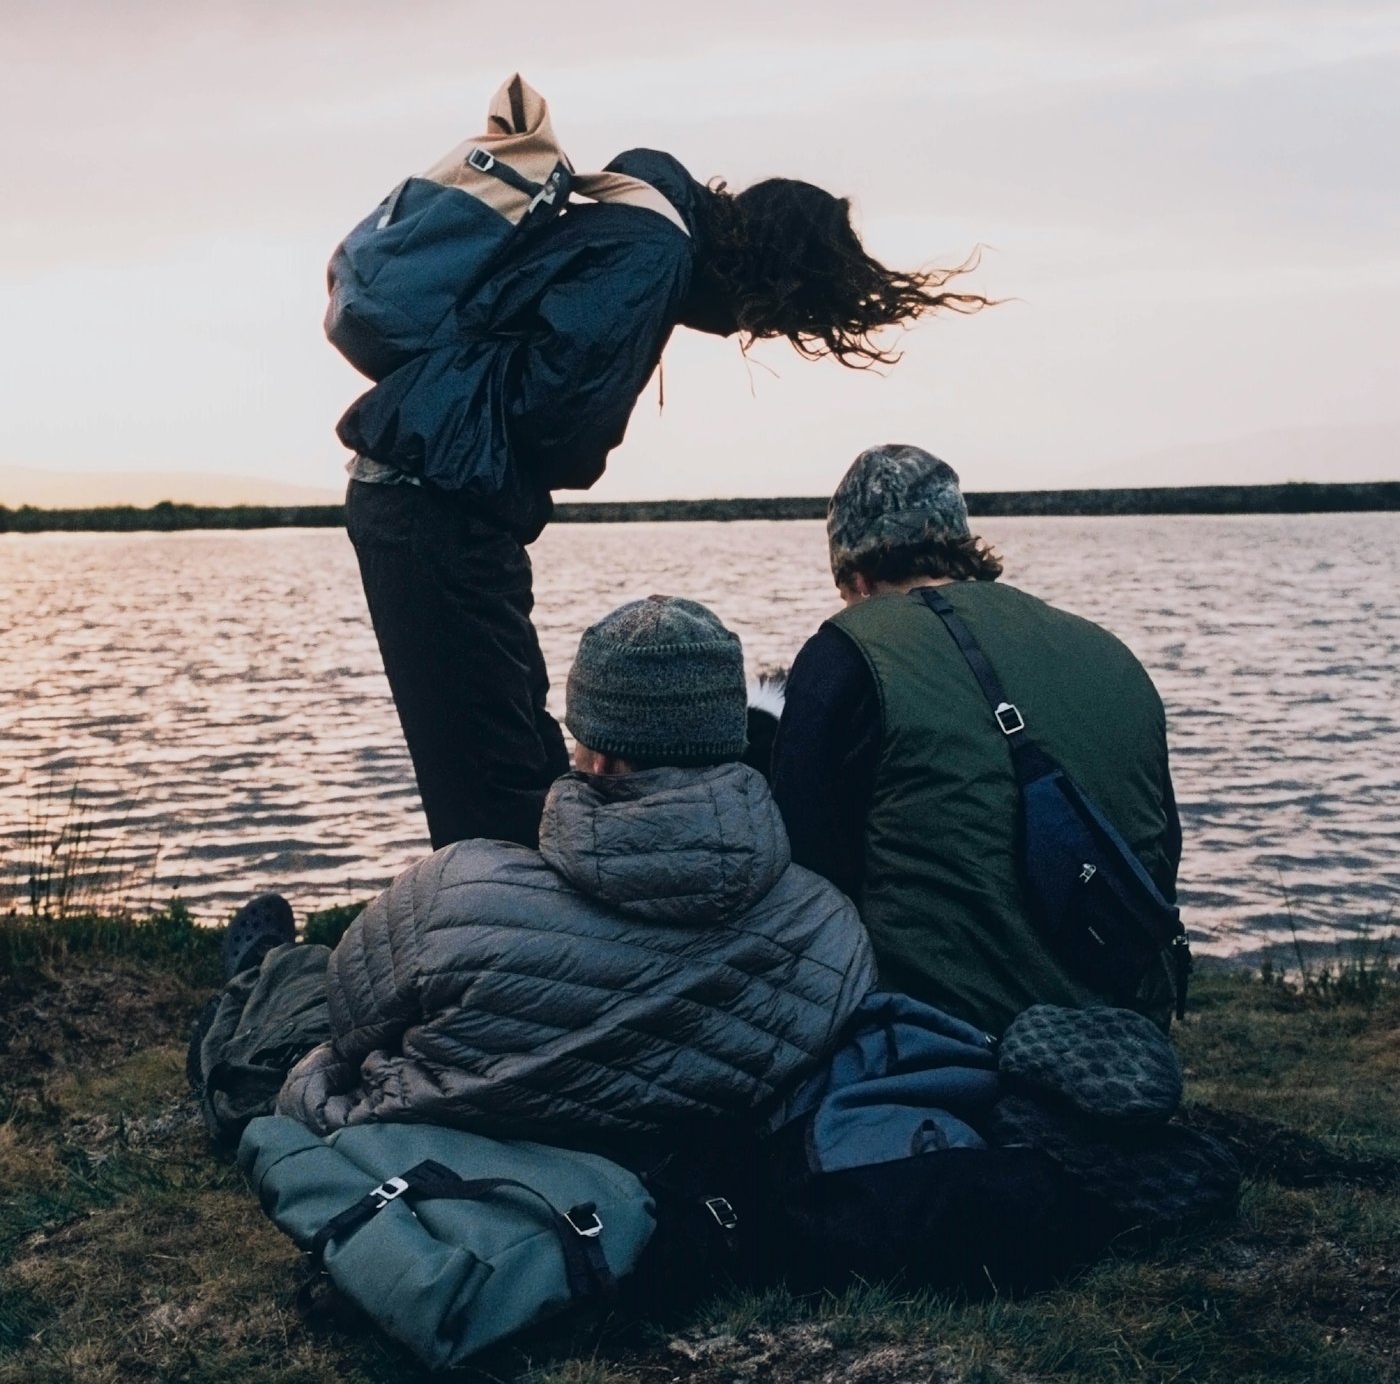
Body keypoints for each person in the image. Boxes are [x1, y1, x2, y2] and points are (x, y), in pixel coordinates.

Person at [338, 140, 987, 852]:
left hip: (443, 497)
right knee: (494, 777)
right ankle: (494, 918)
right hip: (436, 504)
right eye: (771, 317)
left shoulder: (636, 221)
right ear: (767, 275)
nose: (751, 328)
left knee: (513, 749)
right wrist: (591, 437)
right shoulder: (654, 252)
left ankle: (530, 909)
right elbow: (558, 416)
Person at [193, 596, 873, 1152]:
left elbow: (348, 1028)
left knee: (301, 994)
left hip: (442, 1156)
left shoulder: (455, 890)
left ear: (598, 757)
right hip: (666, 1191)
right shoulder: (832, 928)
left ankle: (258, 970)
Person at [770, 444, 1182, 1038]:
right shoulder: (1107, 651)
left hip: (935, 1045)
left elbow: (802, 868)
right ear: (963, 546)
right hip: (1122, 1036)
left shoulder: (848, 651)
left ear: (855, 576)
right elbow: (1162, 849)